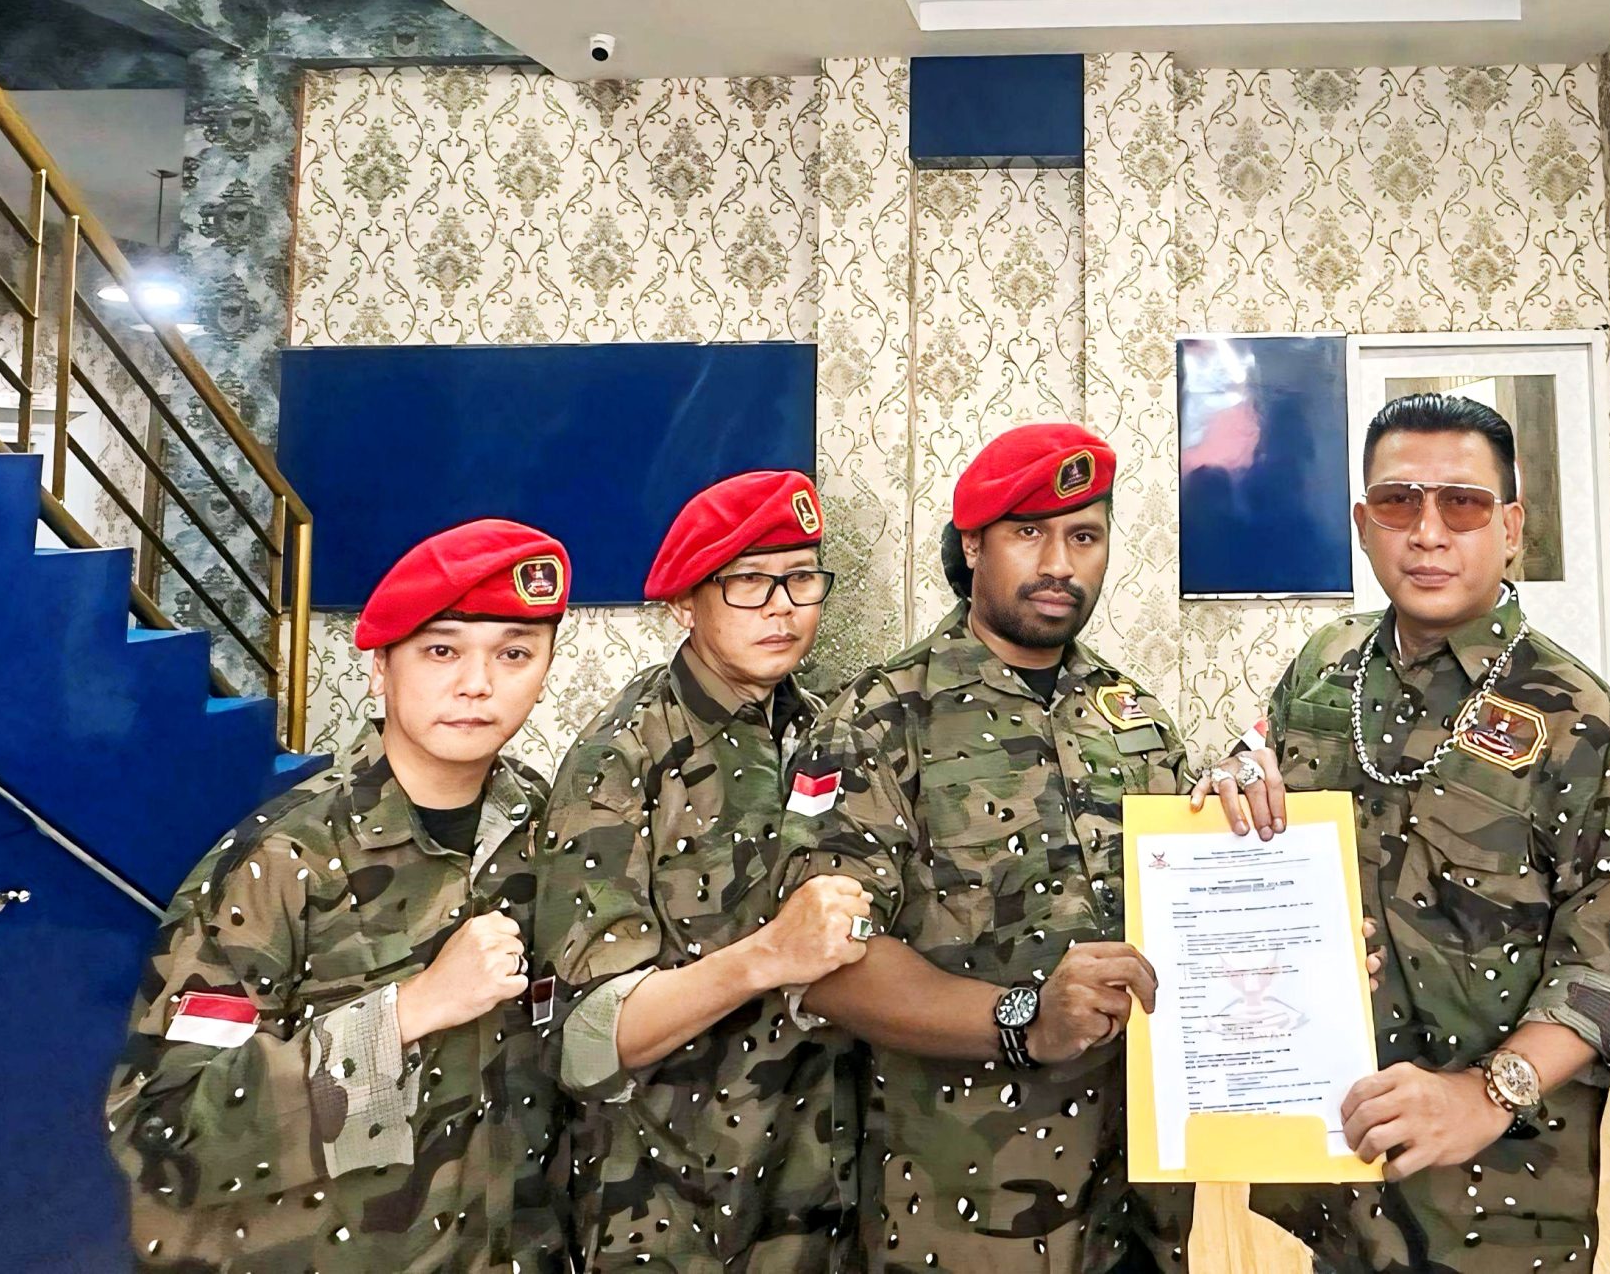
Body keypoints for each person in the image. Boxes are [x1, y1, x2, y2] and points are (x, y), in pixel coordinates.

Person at [1227, 391, 1610, 1272]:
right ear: (1364, 525)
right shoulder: (1325, 668)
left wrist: (1487, 1093)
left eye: (1462, 505)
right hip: (1338, 1158)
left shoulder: (1578, 718)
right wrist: (1230, 792)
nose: (1428, 534)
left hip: (1497, 1194)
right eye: (1399, 503)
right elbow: (1260, 787)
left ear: (1511, 528)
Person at [777, 422, 1192, 1274]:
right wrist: (1025, 1019)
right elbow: (825, 966)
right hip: (963, 1215)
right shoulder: (877, 721)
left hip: (1143, 1212)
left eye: (1084, 537)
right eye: (1028, 533)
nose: (1060, 564)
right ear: (972, 545)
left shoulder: (1136, 719)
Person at [104, 518, 573, 1271]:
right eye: (442, 651)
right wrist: (408, 1012)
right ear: (380, 669)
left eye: (514, 653)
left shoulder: (543, 828)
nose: (477, 684)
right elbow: (161, 1131)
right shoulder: (284, 862)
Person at [538, 469, 873, 1271]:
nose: (783, 607)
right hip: (670, 1212)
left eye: (801, 578)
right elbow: (588, 1041)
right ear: (685, 604)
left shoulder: (831, 731)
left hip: (825, 1195)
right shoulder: (624, 757)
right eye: (749, 581)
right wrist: (767, 956)